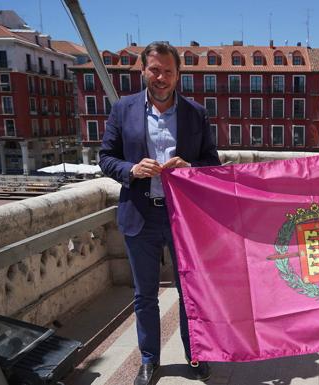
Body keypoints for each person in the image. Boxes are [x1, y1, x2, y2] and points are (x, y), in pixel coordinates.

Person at [99, 41, 221, 385]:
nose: (161, 77)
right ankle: (149, 360)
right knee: (145, 295)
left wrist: (190, 167)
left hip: (184, 219)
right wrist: (132, 169)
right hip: (140, 214)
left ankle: (194, 353)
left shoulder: (196, 113)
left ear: (178, 74)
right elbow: (105, 157)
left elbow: (212, 163)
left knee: (190, 292)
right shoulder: (123, 110)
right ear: (143, 72)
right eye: (155, 69)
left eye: (168, 71)